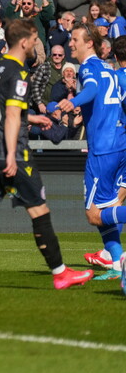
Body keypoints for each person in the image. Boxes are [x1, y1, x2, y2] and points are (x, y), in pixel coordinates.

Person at [0, 19, 93, 292]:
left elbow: (1, 109)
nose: (36, 44)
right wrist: (12, 154)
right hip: (13, 153)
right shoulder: (19, 72)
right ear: (24, 42)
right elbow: (11, 114)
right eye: (34, 39)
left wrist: (32, 118)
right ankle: (60, 273)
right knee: (39, 210)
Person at [50, 24, 126, 281]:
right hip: (120, 143)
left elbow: (92, 89)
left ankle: (116, 260)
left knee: (94, 215)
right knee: (110, 207)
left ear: (89, 43)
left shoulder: (88, 68)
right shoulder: (110, 68)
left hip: (103, 149)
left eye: (74, 39)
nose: (70, 43)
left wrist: (73, 101)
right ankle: (117, 264)